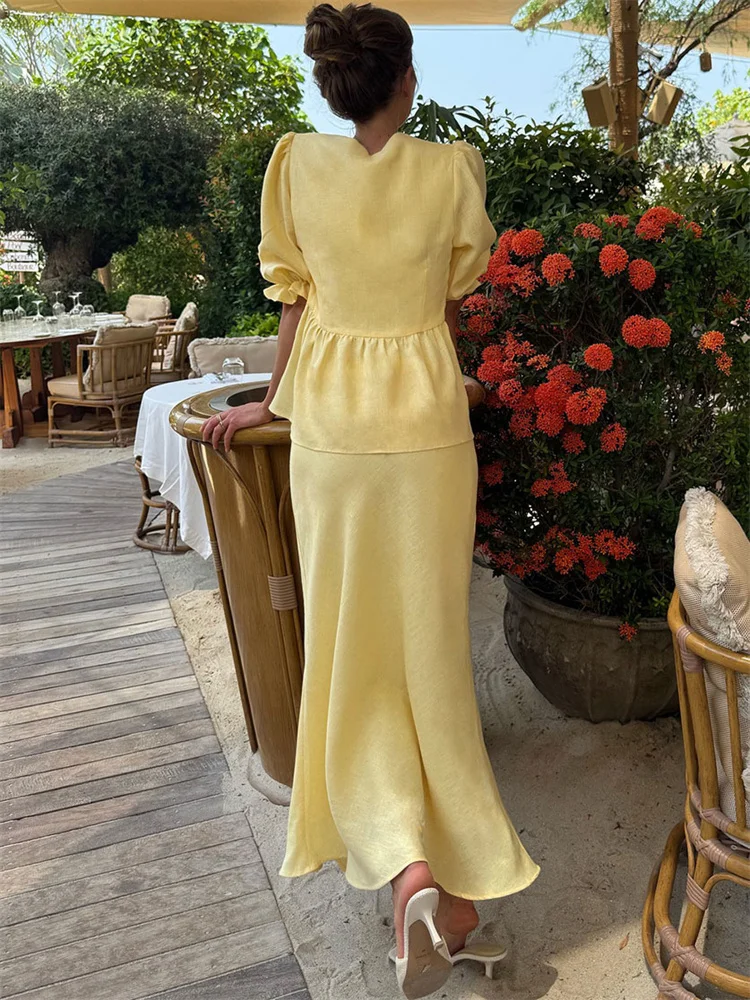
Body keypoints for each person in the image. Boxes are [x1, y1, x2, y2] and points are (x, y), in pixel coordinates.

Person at [201, 3, 540, 995]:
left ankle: (414, 874)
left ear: (337, 82)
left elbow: (294, 303)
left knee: (352, 652)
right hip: (427, 427)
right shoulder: (453, 171)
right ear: (406, 79)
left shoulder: (295, 165)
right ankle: (446, 887)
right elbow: (450, 295)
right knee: (429, 654)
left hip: (334, 436)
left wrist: (269, 402)